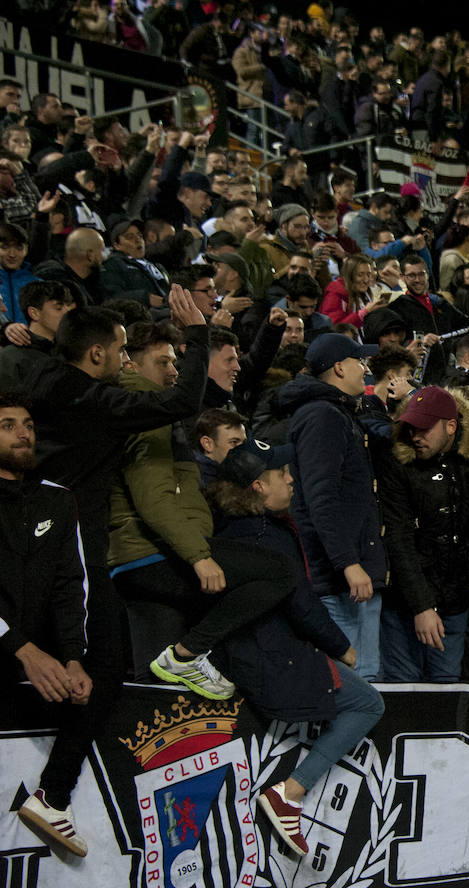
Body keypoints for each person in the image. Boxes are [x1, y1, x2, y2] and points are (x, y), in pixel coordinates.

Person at [203, 438, 384, 858]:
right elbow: (299, 603)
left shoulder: (232, 526)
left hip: (251, 650)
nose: (290, 478)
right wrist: (342, 648)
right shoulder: (268, 534)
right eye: (280, 473)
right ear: (258, 487)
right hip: (272, 655)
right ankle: (290, 791)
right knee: (368, 703)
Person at [109, 321, 294, 699]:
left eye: (176, 361)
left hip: (145, 553)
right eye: (164, 362)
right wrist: (200, 557)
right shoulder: (144, 414)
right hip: (149, 554)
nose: (174, 371)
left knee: (156, 687)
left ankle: (185, 658)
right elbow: (154, 496)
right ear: (130, 363)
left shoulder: (148, 409)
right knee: (278, 572)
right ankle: (186, 655)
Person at [0, 398, 100, 857]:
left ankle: (52, 798)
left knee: (99, 680)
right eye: (7, 426)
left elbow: (69, 585)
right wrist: (22, 648)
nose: (23, 434)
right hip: (13, 646)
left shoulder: (57, 498)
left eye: (28, 425)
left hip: (35, 646)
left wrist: (72, 656)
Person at [379, 386, 469, 682]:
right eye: (412, 427)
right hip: (403, 602)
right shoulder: (398, 457)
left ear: (451, 426)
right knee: (403, 687)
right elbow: (398, 537)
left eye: (425, 428)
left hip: (455, 596)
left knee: (446, 686)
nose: (415, 436)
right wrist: (421, 606)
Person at [279, 333, 387, 681]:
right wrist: (348, 563)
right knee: (353, 688)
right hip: (340, 581)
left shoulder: (338, 412)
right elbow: (319, 498)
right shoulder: (322, 416)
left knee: (366, 685)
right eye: (360, 362)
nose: (365, 370)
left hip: (353, 576)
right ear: (339, 368)